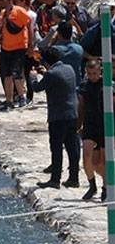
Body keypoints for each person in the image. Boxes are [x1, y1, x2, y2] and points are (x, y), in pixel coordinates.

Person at [31, 47, 80, 189]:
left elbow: (37, 88)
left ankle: (55, 179)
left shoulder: (51, 74)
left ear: (46, 61)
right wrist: (45, 73)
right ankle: (74, 178)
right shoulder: (69, 69)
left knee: (56, 148)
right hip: (72, 114)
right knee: (72, 147)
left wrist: (33, 76)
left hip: (58, 117)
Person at [0, 0, 32, 111]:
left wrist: (30, 44)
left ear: (8, 0)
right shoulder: (2, 13)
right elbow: (0, 30)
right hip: (6, 48)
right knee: (7, 74)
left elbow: (29, 25)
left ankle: (21, 97)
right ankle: (9, 100)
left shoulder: (19, 11)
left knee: (17, 72)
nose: (0, 2)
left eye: (1, 0)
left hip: (19, 47)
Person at [78, 59, 108, 200]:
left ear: (100, 71)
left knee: (101, 161)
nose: (92, 76)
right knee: (86, 157)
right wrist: (78, 124)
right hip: (89, 125)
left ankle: (106, 187)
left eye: (95, 73)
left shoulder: (107, 85)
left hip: (104, 126)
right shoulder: (84, 86)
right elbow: (81, 106)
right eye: (89, 73)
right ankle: (92, 185)